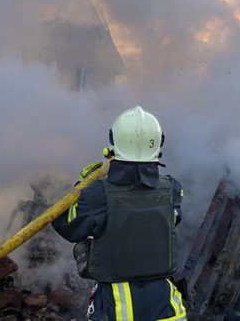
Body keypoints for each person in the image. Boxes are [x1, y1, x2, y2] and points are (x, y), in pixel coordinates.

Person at [52, 106, 186, 321]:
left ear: (114, 142)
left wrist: (81, 187)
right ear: (158, 143)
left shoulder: (98, 194)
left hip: (118, 308)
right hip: (168, 307)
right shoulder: (172, 189)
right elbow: (171, 220)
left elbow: (66, 225)